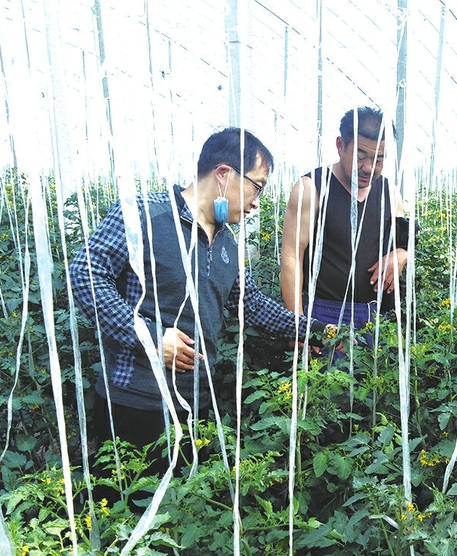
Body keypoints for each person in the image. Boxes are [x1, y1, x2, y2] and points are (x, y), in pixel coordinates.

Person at [69, 128, 334, 452]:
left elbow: (251, 304)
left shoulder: (225, 240)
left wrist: (318, 330)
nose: (256, 203)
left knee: (186, 498)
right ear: (224, 174)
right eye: (257, 187)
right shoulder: (143, 213)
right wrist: (150, 337)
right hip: (136, 401)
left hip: (195, 401)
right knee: (129, 498)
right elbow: (85, 274)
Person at [279, 106, 414, 332]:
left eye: (379, 159)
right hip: (323, 314)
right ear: (340, 146)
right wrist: (299, 326)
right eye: (360, 157)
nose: (368, 168)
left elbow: (403, 239)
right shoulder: (311, 188)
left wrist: (401, 254)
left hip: (376, 316)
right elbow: (291, 257)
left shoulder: (389, 192)